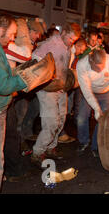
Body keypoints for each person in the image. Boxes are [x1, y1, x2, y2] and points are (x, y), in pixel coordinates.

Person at [0, 15, 53, 193]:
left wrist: (16, 74)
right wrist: (25, 80)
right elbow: (2, 86)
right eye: (11, 34)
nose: (12, 38)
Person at [30, 23, 81, 167]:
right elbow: (34, 58)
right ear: (63, 32)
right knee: (51, 122)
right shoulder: (51, 42)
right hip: (47, 89)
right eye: (71, 39)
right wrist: (47, 74)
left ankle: (51, 147)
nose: (72, 42)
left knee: (61, 120)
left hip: (61, 88)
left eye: (74, 40)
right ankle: (38, 152)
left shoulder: (68, 47)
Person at [58, 38, 88, 144]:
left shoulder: (72, 54)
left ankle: (60, 133)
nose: (82, 52)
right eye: (82, 49)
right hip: (62, 85)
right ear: (78, 46)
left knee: (64, 109)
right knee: (62, 110)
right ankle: (59, 134)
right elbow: (67, 71)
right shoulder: (70, 54)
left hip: (64, 85)